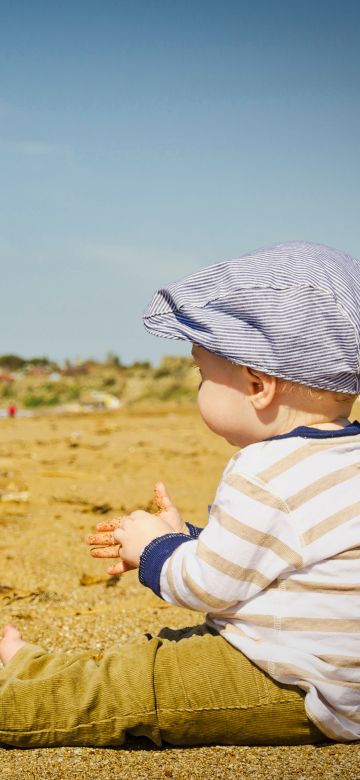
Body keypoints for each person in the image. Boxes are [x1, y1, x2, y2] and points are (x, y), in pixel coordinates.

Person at [1, 240, 359, 748]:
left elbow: (209, 587)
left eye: (201, 374)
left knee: (141, 683)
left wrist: (154, 550)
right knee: (161, 655)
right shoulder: (345, 456)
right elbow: (275, 557)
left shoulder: (264, 469)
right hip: (338, 675)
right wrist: (189, 537)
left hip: (293, 679)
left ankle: (21, 702)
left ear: (258, 385)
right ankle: (35, 666)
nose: (198, 387)